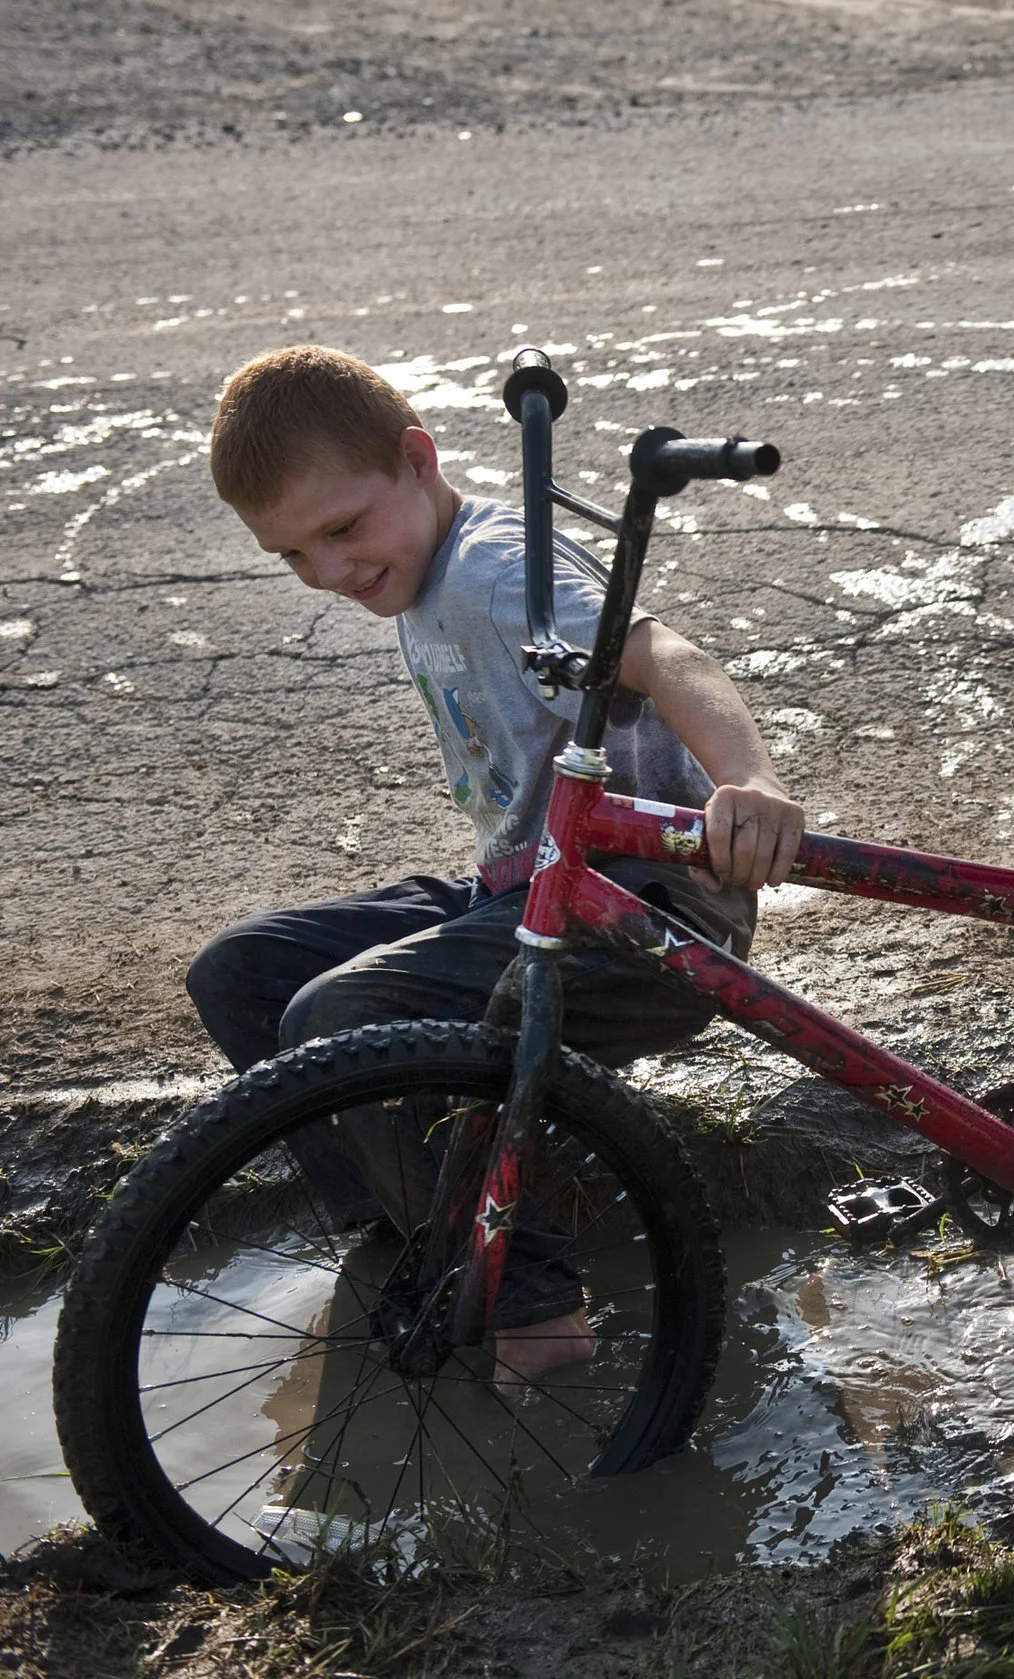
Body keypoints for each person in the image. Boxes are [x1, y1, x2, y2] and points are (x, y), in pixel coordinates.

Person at [185, 345, 806, 1386]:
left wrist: (749, 779)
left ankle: (537, 1309)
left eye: (341, 530)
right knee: (245, 971)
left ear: (417, 460)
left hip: (645, 907)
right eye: (292, 556)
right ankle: (420, 1224)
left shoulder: (484, 571)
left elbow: (668, 656)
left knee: (339, 1016)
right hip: (525, 892)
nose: (330, 572)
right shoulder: (419, 570)